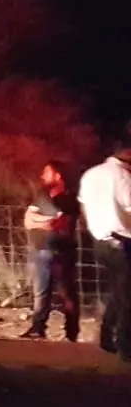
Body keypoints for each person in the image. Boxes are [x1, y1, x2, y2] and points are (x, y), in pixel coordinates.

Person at [77, 143, 131, 362]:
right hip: (123, 241)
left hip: (100, 241)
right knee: (128, 296)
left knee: (119, 291)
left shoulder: (91, 174)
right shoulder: (122, 177)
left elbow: (83, 206)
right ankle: (126, 346)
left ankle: (107, 335)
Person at [20, 160, 81, 342]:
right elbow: (28, 220)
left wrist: (42, 220)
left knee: (67, 292)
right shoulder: (41, 195)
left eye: (46, 172)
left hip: (61, 251)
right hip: (40, 249)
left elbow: (61, 225)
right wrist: (48, 220)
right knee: (41, 292)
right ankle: (38, 327)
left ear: (58, 175)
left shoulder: (69, 199)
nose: (42, 176)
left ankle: (71, 332)